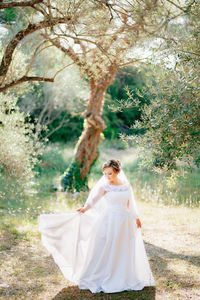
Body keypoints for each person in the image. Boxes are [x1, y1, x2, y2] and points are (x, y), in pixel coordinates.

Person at [39, 159, 155, 293]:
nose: (107, 177)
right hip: (110, 220)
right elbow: (94, 200)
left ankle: (123, 274)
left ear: (117, 172)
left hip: (124, 221)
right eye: (105, 174)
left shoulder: (126, 186)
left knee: (122, 247)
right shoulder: (105, 186)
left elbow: (130, 204)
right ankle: (104, 274)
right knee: (107, 246)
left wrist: (136, 218)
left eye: (110, 174)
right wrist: (84, 209)